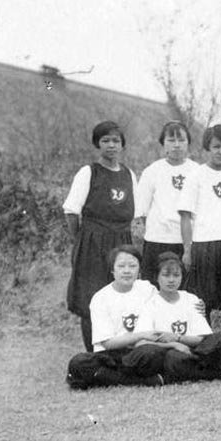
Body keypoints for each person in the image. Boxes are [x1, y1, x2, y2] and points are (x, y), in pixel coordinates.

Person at [64, 121, 138, 352]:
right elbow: (71, 211)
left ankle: (120, 350)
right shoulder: (88, 172)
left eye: (116, 140)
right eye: (105, 140)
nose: (111, 145)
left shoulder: (129, 174)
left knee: (122, 294)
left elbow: (134, 213)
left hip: (122, 242)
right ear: (98, 144)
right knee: (91, 298)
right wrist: (82, 240)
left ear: (122, 144)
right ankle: (94, 354)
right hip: (93, 242)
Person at [66, 245, 171, 389]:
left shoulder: (147, 289)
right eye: (121, 266)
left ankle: (108, 378)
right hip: (111, 355)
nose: (127, 271)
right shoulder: (101, 298)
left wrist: (197, 306)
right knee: (79, 363)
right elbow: (108, 343)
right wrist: (141, 335)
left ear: (139, 270)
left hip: (139, 352)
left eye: (132, 266)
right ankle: (141, 381)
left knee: (153, 353)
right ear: (112, 270)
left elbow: (166, 312)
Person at [178, 124, 221, 330]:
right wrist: (187, 250)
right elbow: (185, 216)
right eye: (216, 147)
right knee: (202, 301)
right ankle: (204, 346)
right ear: (207, 147)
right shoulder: (196, 175)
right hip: (205, 245)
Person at [139, 253, 221, 383]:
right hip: (170, 352)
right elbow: (142, 342)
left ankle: (191, 370)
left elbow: (202, 338)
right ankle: (217, 374)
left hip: (195, 351)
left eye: (176, 275)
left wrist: (178, 338)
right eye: (166, 275)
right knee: (173, 358)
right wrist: (174, 344)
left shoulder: (191, 299)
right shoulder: (149, 304)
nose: (171, 280)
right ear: (156, 277)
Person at [136, 121, 200, 283]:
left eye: (181, 140)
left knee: (186, 289)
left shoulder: (198, 170)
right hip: (158, 240)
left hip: (189, 242)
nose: (176, 145)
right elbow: (142, 210)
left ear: (188, 143)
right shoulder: (152, 171)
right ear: (163, 144)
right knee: (154, 288)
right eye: (171, 140)